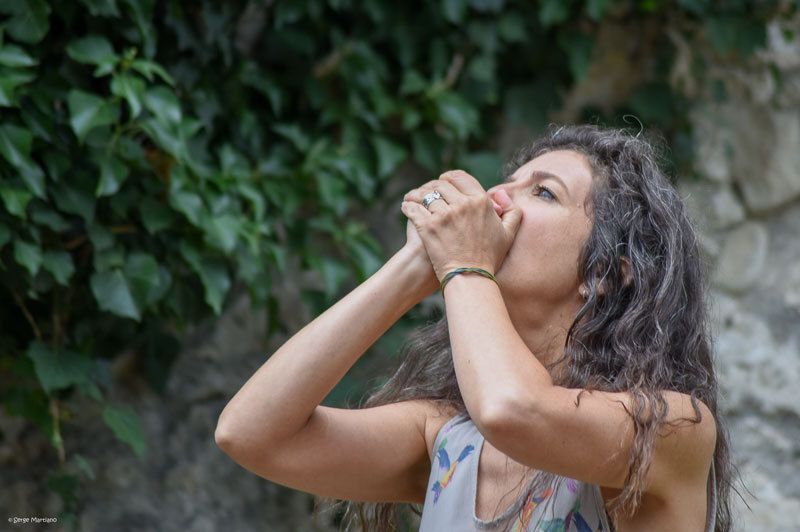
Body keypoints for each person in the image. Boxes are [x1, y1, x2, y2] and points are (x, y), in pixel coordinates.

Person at [215, 124, 736, 531]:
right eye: (505, 182)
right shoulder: (446, 440)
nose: (494, 200)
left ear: (604, 273)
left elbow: (513, 410)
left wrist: (465, 265)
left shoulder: (674, 427)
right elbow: (251, 434)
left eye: (544, 193)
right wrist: (412, 270)